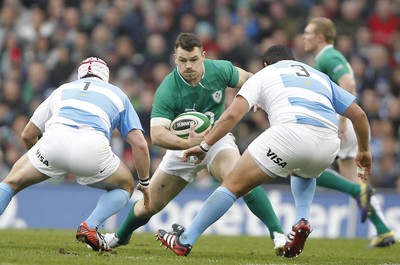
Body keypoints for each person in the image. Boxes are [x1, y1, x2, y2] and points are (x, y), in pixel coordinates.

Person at [156, 44, 372, 258]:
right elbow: (360, 115)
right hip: (328, 143)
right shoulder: (318, 76)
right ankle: (302, 220)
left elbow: (232, 116)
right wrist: (363, 151)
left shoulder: (264, 74)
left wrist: (204, 145)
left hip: (290, 134)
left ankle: (184, 240)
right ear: (293, 60)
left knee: (232, 184)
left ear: (266, 64)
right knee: (303, 170)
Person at [103, 33, 287, 254]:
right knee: (149, 205)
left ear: (203, 56)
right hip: (182, 147)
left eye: (193, 59)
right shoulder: (168, 88)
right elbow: (158, 134)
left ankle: (277, 234)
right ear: (174, 58)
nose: (188, 65)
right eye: (182, 60)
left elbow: (250, 79)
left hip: (216, 141)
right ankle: (119, 237)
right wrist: (185, 143)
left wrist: (258, 96)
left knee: (241, 178)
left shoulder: (219, 69)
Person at [0, 57, 150, 252]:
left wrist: (44, 161)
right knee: (125, 185)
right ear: (106, 77)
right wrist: (145, 184)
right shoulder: (117, 94)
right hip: (93, 149)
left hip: (54, 143)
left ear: (79, 75)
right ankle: (90, 225)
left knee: (10, 183)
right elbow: (139, 145)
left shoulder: (62, 90)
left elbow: (28, 134)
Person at [303, 17, 395, 247]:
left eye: (308, 32)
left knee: (301, 166)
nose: (304, 36)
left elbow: (349, 85)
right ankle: (383, 230)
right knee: (355, 184)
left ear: (321, 37)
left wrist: (342, 119)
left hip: (339, 123)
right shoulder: (325, 57)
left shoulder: (329, 56)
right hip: (345, 124)